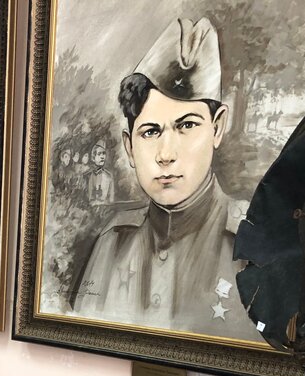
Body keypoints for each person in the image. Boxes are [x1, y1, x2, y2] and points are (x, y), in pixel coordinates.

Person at [68, 18, 261, 341]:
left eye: (187, 126)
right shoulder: (111, 242)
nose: (166, 154)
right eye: (150, 132)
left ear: (217, 128)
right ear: (129, 147)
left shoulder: (254, 246)